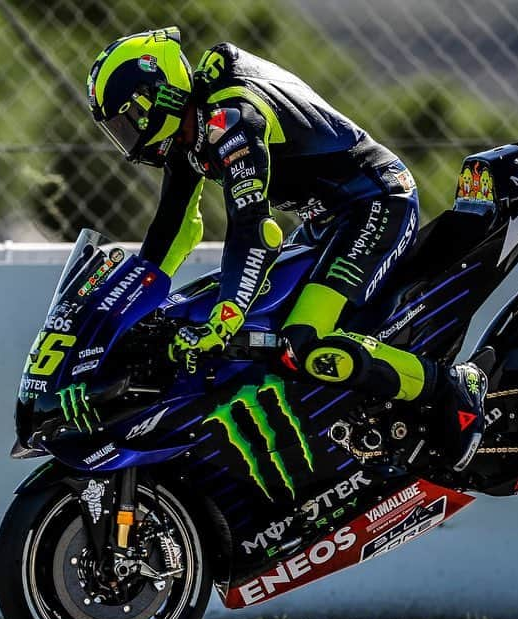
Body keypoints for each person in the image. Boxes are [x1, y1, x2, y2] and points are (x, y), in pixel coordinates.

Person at [86, 27, 487, 471]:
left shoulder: (230, 118)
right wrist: (124, 310)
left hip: (375, 204)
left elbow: (253, 230)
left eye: (125, 123)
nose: (126, 140)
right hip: (325, 221)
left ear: (155, 96)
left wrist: (224, 317)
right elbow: (172, 232)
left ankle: (449, 386)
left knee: (304, 343)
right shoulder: (189, 134)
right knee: (267, 332)